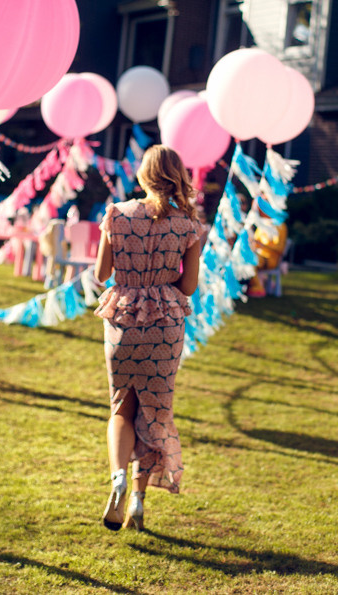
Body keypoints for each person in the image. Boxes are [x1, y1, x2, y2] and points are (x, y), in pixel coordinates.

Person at [93, 145, 204, 532]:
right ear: (178, 177)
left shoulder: (116, 215)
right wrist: (161, 280)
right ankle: (138, 500)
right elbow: (189, 286)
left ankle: (118, 480)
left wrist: (133, 276)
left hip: (123, 318)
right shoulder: (188, 227)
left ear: (143, 175)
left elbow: (101, 272)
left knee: (122, 408)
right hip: (166, 323)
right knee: (154, 412)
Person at [247, 205, 288, 298]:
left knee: (251, 261)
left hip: (271, 259)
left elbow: (280, 249)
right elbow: (256, 242)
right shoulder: (262, 225)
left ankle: (258, 287)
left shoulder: (280, 226)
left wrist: (263, 245)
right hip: (259, 255)